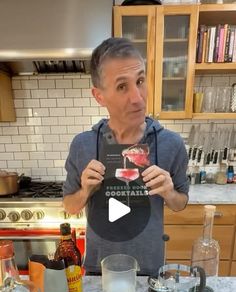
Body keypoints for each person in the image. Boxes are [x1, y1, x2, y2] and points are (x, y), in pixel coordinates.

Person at [63, 37, 189, 276]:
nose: (138, 98)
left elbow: (180, 202)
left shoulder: (171, 143)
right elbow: (70, 205)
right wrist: (85, 190)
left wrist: (168, 191)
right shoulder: (83, 144)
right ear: (99, 96)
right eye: (122, 86)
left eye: (140, 81)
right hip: (99, 272)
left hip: (150, 271)